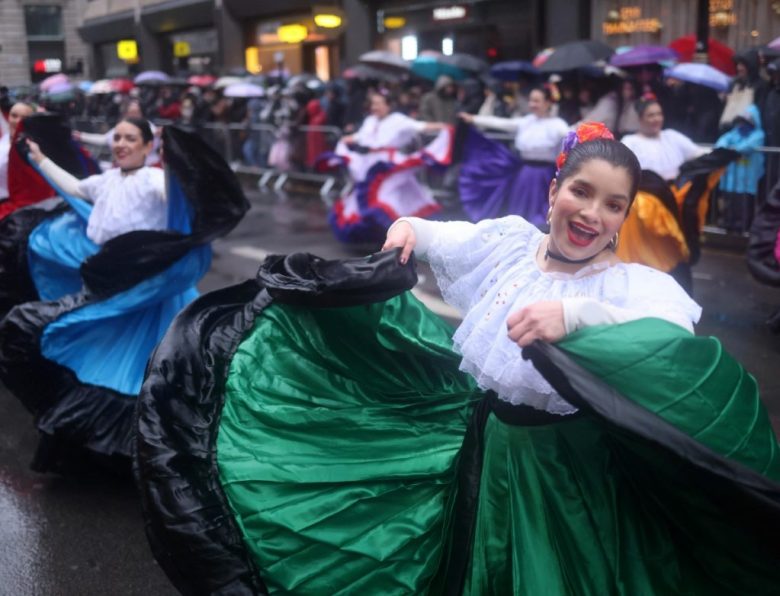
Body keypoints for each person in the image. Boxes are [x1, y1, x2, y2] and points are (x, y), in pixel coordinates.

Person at [135, 122, 780, 595]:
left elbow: (667, 334)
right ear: (554, 189)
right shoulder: (508, 245)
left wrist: (576, 318)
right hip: (477, 443)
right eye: (581, 193)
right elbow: (444, 234)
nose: (592, 214)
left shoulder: (633, 287)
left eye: (614, 205)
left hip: (567, 474)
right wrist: (409, 231)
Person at [0, 118, 248, 473]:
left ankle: (165, 446)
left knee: (158, 366)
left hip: (149, 287)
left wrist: (179, 161)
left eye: (130, 138)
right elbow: (73, 186)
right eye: (116, 138)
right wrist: (39, 159)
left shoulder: (153, 182)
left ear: (147, 146)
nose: (121, 144)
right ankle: (110, 446)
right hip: (116, 283)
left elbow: (182, 195)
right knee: (106, 358)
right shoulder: (105, 180)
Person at [327, 90, 450, 243]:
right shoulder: (370, 121)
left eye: (378, 103)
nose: (374, 107)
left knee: (387, 195)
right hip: (369, 163)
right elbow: (362, 137)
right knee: (367, 196)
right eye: (373, 104)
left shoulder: (398, 120)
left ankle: (398, 232)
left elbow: (419, 126)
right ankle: (380, 234)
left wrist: (444, 126)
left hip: (389, 166)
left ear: (388, 105)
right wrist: (347, 139)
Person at [458, 85, 569, 225]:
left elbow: (571, 137)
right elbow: (501, 123)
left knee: (541, 213)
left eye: (536, 101)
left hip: (545, 176)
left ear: (548, 103)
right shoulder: (527, 121)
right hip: (524, 173)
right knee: (519, 212)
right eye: (531, 100)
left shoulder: (558, 125)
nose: (532, 104)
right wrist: (474, 119)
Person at [621, 94, 706, 181]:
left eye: (659, 114)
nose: (657, 119)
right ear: (640, 118)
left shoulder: (671, 136)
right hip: (644, 192)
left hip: (676, 191)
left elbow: (697, 153)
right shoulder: (630, 142)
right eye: (651, 115)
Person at [714, 105, 765, 233]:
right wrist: (725, 147)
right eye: (742, 121)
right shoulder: (735, 132)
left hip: (747, 179)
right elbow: (722, 141)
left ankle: (743, 226)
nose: (743, 124)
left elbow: (748, 146)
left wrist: (732, 150)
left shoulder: (758, 135)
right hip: (732, 179)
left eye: (747, 121)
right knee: (730, 202)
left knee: (745, 204)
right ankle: (729, 223)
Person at [72, 100, 161, 167]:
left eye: (135, 113)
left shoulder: (150, 128)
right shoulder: (122, 127)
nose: (121, 144)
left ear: (142, 113)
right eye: (130, 113)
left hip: (148, 166)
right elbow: (105, 139)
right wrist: (82, 136)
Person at [0, 102, 34, 201]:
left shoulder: (34, 148)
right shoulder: (3, 141)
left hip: (23, 207)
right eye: (14, 116)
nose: (18, 121)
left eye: (24, 117)